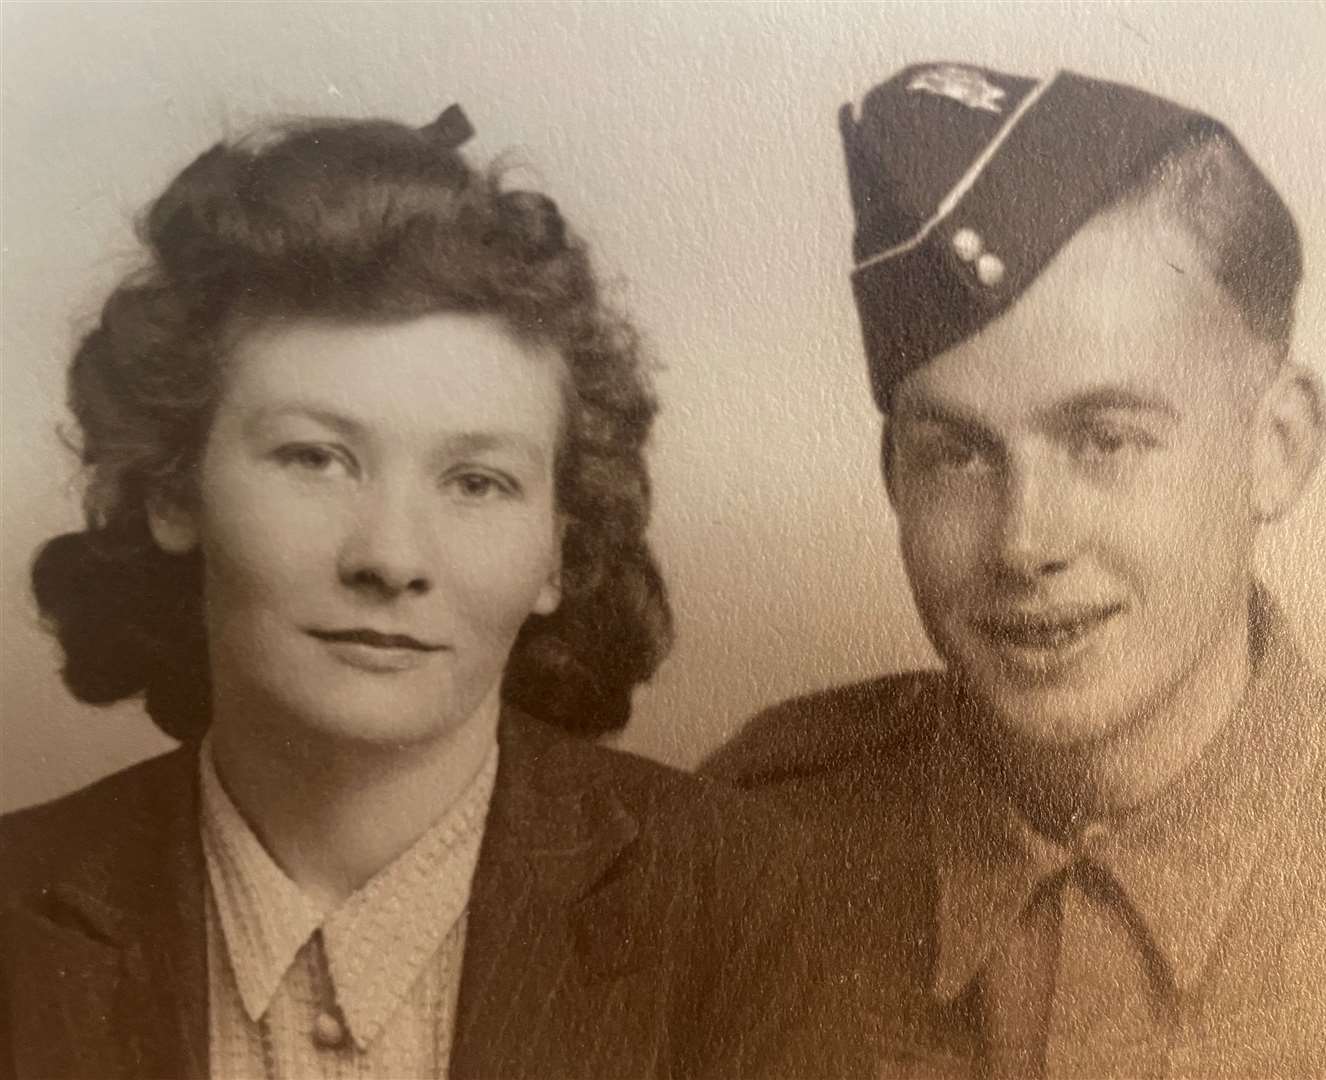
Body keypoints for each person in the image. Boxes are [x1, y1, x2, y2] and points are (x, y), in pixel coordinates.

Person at [0, 104, 812, 1080]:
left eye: (476, 481)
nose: (391, 557)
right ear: (175, 488)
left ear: (558, 550)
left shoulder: (745, 906)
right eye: (316, 457)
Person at [706, 62, 1326, 1078]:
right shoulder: (750, 848)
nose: (1023, 542)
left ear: (1279, 445)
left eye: (1106, 440)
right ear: (893, 478)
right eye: (958, 452)